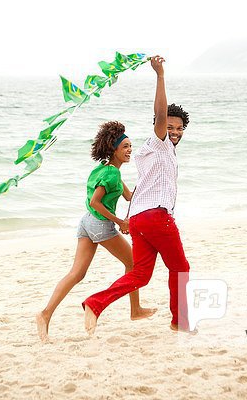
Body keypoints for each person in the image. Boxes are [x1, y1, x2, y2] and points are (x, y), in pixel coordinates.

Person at [82, 55, 196, 334]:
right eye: (170, 127)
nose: (175, 132)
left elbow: (138, 191)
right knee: (180, 267)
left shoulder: (160, 152)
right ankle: (179, 321)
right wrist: (159, 75)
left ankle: (95, 304)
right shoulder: (157, 144)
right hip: (156, 217)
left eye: (179, 128)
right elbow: (159, 115)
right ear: (159, 127)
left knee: (140, 275)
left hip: (140, 220)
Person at [36, 121, 156, 342]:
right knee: (134, 265)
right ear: (114, 149)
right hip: (100, 224)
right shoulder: (111, 174)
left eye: (131, 146)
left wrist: (150, 178)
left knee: (76, 273)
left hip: (86, 222)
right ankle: (135, 310)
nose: (130, 150)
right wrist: (121, 221)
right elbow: (96, 201)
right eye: (125, 147)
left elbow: (130, 197)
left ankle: (45, 315)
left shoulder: (106, 170)